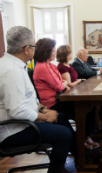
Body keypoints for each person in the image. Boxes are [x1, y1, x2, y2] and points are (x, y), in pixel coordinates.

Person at [0, 26, 77, 173]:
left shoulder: (14, 66)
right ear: (27, 49)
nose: (35, 49)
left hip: (21, 123)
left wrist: (43, 109)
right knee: (64, 134)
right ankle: (57, 169)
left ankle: (79, 155)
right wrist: (44, 117)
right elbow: (17, 110)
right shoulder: (11, 71)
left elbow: (29, 99)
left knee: (59, 117)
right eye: (34, 46)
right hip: (14, 130)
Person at [33, 39, 99, 150]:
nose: (55, 53)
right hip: (52, 104)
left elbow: (61, 83)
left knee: (88, 106)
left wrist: (62, 84)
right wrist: (63, 84)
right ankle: (81, 142)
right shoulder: (42, 67)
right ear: (46, 52)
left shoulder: (50, 66)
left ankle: (82, 139)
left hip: (59, 98)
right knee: (85, 107)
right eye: (53, 51)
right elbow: (59, 85)